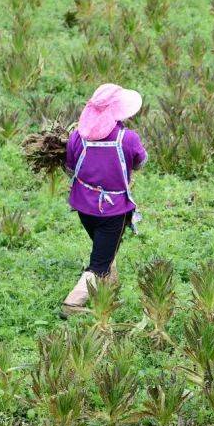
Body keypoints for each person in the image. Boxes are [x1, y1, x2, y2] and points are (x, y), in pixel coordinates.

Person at [61, 83, 147, 317]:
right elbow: (140, 162)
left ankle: (110, 287)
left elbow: (70, 168)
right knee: (99, 262)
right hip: (113, 210)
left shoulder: (76, 137)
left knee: (106, 248)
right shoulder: (127, 138)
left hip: (83, 207)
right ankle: (73, 304)